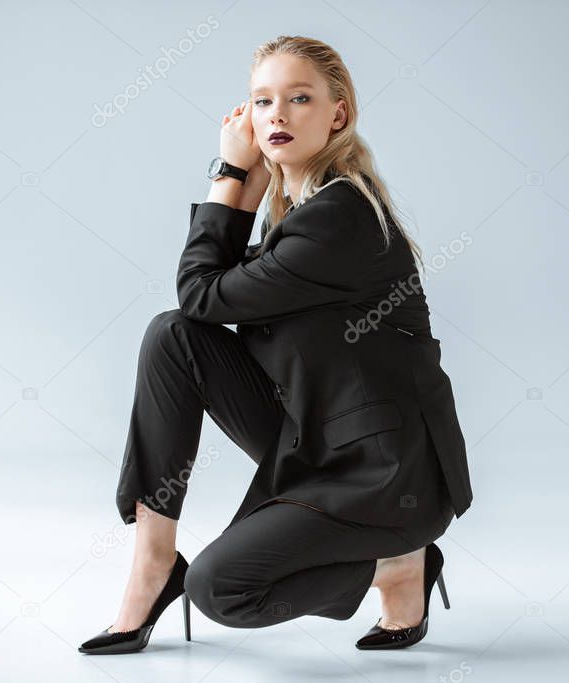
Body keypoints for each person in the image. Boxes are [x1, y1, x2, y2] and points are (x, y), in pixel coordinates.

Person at [80, 35, 472, 655]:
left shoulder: (339, 216)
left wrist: (232, 175)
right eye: (262, 102)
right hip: (319, 441)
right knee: (173, 338)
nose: (278, 116)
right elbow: (201, 309)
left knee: (224, 591)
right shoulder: (299, 211)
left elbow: (203, 293)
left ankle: (399, 565)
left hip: (384, 474)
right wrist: (253, 194)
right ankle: (153, 562)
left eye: (299, 98)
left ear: (337, 114)